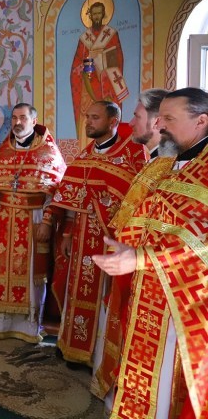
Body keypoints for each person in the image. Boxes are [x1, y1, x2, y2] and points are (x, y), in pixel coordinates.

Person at [93, 87, 208, 419]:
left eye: (169, 119)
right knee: (143, 375)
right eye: (159, 118)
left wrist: (141, 257)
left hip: (186, 299)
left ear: (201, 121)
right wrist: (129, 245)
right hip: (149, 288)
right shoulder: (169, 163)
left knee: (173, 380)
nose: (161, 125)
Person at [44, 100, 146, 368]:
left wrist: (99, 202)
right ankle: (72, 345)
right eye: (87, 116)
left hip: (110, 241)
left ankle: (97, 356)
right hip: (80, 239)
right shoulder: (85, 155)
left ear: (113, 122)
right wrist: (66, 234)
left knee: (103, 297)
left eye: (95, 117)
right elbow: (69, 200)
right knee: (75, 292)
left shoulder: (133, 154)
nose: (88, 122)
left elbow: (136, 202)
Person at [91, 88, 168, 403]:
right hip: (131, 263)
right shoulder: (155, 163)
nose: (130, 122)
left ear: (156, 121)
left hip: (152, 272)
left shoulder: (168, 165)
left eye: (136, 116)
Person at [0, 103, 66, 342]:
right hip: (5, 220)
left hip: (33, 219)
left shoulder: (49, 153)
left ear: (34, 121)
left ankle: (27, 328)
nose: (17, 122)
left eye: (23, 117)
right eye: (14, 118)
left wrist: (47, 223)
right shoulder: (4, 150)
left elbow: (54, 193)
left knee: (31, 276)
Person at [70, 1, 129, 146]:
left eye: (99, 13)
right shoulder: (84, 38)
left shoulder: (111, 34)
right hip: (88, 86)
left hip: (107, 85)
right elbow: (76, 63)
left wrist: (102, 64)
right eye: (94, 14)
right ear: (90, 16)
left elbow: (118, 61)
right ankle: (87, 148)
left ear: (103, 15)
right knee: (88, 120)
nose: (96, 17)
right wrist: (83, 68)